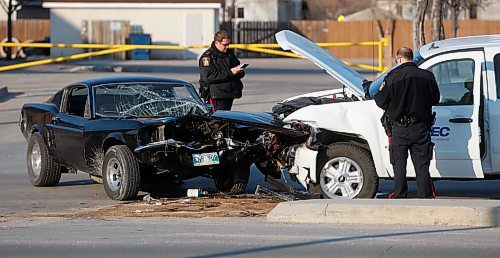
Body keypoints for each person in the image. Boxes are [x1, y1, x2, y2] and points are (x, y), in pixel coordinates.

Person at [374, 47, 440, 198]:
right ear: (411, 58)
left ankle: (400, 194)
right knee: (422, 164)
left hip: (399, 128)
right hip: (421, 127)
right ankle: (425, 195)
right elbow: (435, 98)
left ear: (400, 59)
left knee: (399, 164)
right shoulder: (427, 76)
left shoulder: (392, 77)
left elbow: (380, 101)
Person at [198, 30, 245, 111]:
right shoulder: (208, 57)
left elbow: (236, 68)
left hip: (229, 93)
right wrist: (231, 72)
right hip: (217, 96)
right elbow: (209, 77)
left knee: (227, 119)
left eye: (228, 44)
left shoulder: (229, 53)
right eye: (225, 45)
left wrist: (239, 71)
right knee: (219, 120)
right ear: (217, 43)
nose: (227, 47)